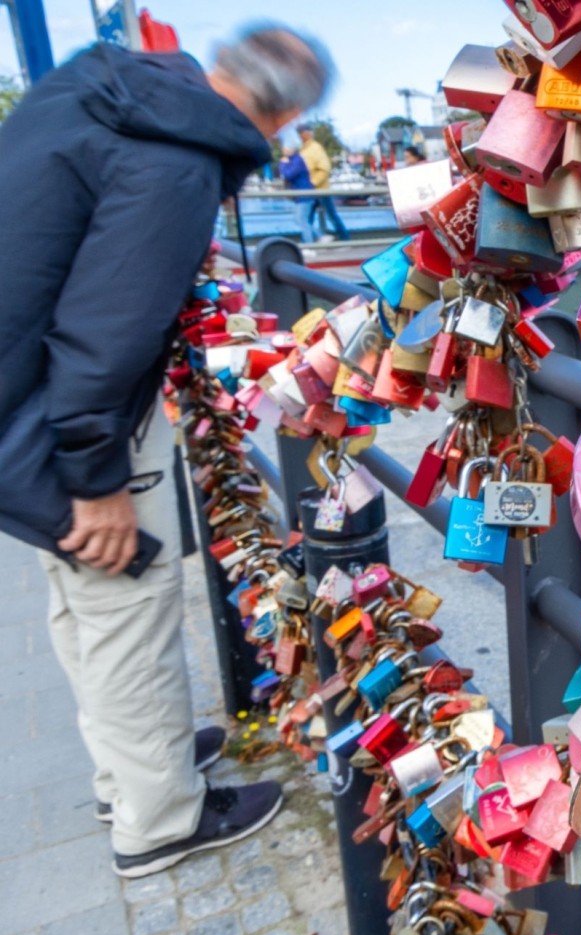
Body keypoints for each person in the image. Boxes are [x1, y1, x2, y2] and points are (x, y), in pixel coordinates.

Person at [0, 24, 332, 878]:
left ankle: (132, 768)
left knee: (80, 603)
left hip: (18, 388)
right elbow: (106, 333)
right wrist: (95, 475)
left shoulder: (97, 89)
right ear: (287, 114)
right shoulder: (175, 161)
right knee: (124, 598)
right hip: (58, 410)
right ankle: (161, 819)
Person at [298, 121, 351, 241]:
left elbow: (325, 168)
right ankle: (307, 241)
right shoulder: (303, 150)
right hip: (310, 191)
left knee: (330, 216)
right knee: (308, 218)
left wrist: (313, 183)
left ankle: (345, 239)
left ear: (308, 133)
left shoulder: (315, 148)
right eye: (300, 132)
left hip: (320, 190)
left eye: (302, 132)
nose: (301, 135)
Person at [280, 146, 319, 242]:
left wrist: (283, 164)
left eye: (286, 148)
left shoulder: (297, 160)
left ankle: (312, 244)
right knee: (301, 220)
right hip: (302, 195)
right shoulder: (295, 160)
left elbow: (288, 175)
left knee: (301, 220)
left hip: (304, 194)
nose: (284, 150)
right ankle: (320, 236)